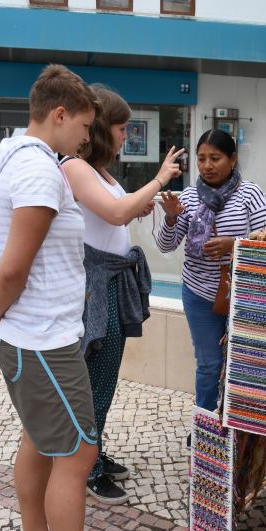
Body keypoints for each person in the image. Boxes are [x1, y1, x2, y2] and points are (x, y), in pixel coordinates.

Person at [0, 65, 136, 531]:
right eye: (83, 124)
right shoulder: (35, 170)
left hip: (30, 337)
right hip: (43, 342)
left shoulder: (14, 156)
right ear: (59, 114)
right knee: (78, 454)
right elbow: (11, 269)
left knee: (39, 438)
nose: (87, 136)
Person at [62, 85, 183, 503]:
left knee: (105, 380)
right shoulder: (75, 167)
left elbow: (119, 210)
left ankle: (94, 454)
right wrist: (158, 180)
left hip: (111, 283)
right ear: (99, 128)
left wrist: (141, 203)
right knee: (94, 382)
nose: (125, 136)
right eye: (121, 127)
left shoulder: (103, 174)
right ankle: (87, 468)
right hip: (95, 287)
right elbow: (115, 212)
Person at [157, 129, 266, 413]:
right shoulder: (188, 196)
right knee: (209, 363)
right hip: (199, 293)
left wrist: (234, 245)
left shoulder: (250, 194)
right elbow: (165, 246)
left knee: (243, 362)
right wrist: (172, 217)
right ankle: (206, 423)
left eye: (215, 158)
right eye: (201, 159)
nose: (207, 165)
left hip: (242, 294)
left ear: (232, 159)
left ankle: (237, 422)